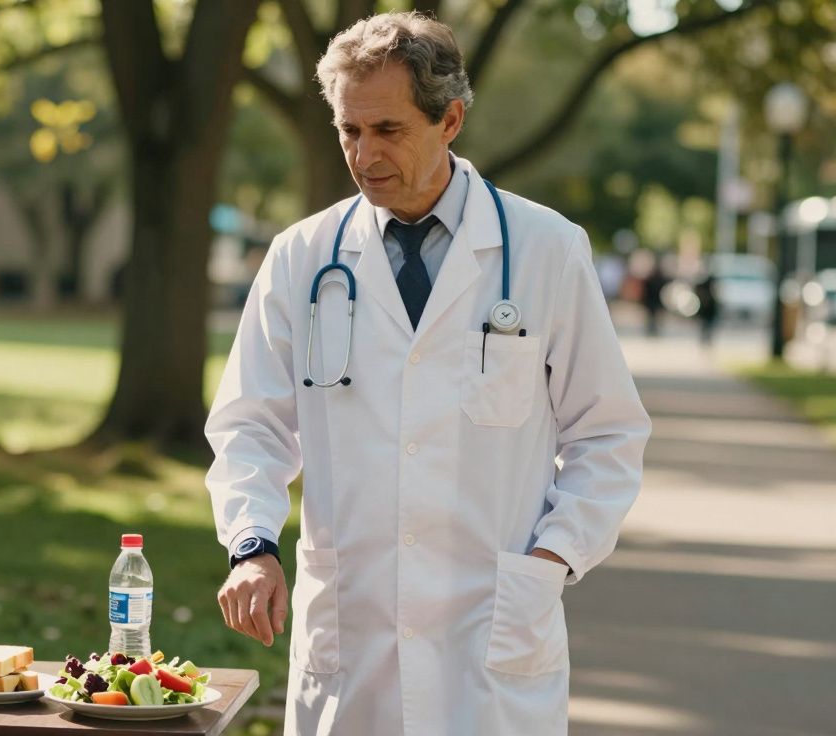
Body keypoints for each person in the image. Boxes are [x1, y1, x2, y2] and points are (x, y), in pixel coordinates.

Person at [206, 12, 650, 735]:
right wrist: (252, 545)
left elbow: (608, 433)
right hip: (352, 636)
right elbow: (248, 423)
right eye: (349, 130)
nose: (363, 154)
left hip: (493, 635)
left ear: (449, 120)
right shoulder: (302, 257)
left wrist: (550, 559)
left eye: (387, 130)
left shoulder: (545, 251)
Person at [694, 269, 720, 346]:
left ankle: (706, 339)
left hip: (709, 312)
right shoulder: (707, 292)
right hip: (707, 312)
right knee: (706, 326)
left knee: (707, 326)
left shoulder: (710, 294)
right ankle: (705, 339)